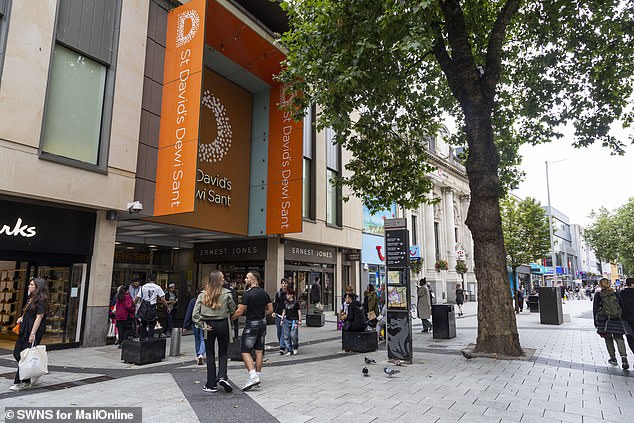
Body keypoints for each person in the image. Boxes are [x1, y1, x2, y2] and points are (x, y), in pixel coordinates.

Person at [193, 271, 236, 393]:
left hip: (208, 325)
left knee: (210, 354)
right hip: (223, 324)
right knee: (223, 352)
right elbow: (233, 308)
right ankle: (222, 376)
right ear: (218, 280)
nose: (224, 280)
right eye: (222, 278)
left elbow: (195, 314)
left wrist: (201, 325)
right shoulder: (227, 293)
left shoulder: (203, 294)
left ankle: (211, 384)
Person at [230, 271, 273, 391]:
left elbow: (240, 311)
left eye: (247, 278)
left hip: (251, 323)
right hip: (262, 323)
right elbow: (270, 309)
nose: (245, 280)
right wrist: (261, 314)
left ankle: (253, 376)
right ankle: (257, 377)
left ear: (253, 280)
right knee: (259, 351)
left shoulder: (247, 294)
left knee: (245, 350)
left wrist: (229, 318)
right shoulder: (264, 293)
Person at [10, 278, 49, 391]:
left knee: (24, 355)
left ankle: (22, 382)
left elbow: (39, 317)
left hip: (33, 331)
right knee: (17, 353)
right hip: (24, 329)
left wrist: (33, 333)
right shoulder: (31, 298)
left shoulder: (41, 300)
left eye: (31, 285)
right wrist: (21, 318)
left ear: (38, 287)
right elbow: (29, 313)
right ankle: (33, 372)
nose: (29, 286)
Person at [593, 278, 632, 369]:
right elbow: (622, 306)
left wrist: (596, 322)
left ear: (600, 285)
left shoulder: (598, 295)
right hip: (617, 319)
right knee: (619, 338)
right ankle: (624, 357)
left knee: (608, 339)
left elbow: (595, 309)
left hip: (605, 321)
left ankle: (613, 358)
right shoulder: (615, 293)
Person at [135, 276, 168, 340]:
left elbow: (137, 297)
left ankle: (142, 339)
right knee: (151, 325)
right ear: (155, 280)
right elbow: (163, 299)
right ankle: (150, 339)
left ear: (148, 279)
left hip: (144, 308)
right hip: (152, 307)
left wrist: (134, 304)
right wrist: (167, 307)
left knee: (143, 324)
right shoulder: (157, 287)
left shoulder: (143, 287)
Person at [183, 295, 205, 365]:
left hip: (195, 322)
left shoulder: (193, 301)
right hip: (204, 322)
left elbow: (189, 312)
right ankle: (201, 353)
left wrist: (186, 325)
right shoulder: (208, 300)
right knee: (203, 338)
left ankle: (198, 355)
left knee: (197, 339)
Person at [282, 289, 301, 355]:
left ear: (292, 295)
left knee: (293, 335)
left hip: (294, 321)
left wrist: (299, 320)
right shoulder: (285, 302)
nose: (287, 296)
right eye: (286, 294)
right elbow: (284, 311)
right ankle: (289, 349)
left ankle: (295, 347)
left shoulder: (296, 303)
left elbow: (299, 311)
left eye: (288, 294)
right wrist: (282, 319)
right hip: (286, 320)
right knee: (286, 336)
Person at [272, 278, 288, 355]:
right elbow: (275, 304)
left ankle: (282, 347)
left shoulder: (290, 293)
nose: (284, 285)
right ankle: (282, 343)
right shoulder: (278, 293)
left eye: (285, 283)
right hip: (278, 314)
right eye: (283, 283)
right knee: (279, 331)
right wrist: (273, 312)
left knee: (283, 331)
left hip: (286, 315)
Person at [620, 277, 634, 354]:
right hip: (628, 319)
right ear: (632, 284)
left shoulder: (621, 294)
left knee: (630, 338)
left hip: (627, 319)